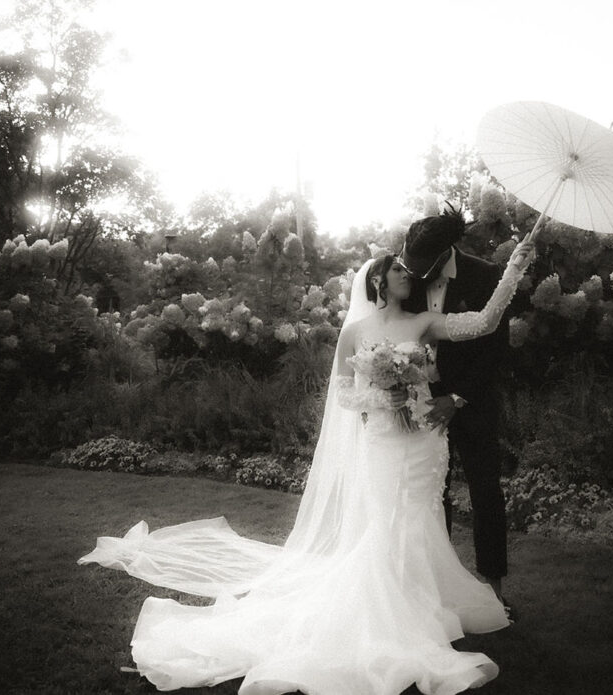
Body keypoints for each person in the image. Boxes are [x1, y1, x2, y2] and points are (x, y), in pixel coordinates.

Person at [78, 237, 536, 695]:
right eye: (396, 269)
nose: (406, 274)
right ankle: (386, 605)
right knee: (387, 521)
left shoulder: (422, 323)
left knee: (422, 514)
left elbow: (483, 322)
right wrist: (382, 395)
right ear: (377, 281)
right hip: (383, 438)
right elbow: (343, 395)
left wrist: (511, 270)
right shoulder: (356, 333)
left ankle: (421, 597)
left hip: (425, 441)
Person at [399, 206, 518, 614]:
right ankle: (439, 592)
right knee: (433, 495)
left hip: (474, 401)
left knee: (486, 492)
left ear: (443, 253)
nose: (412, 275)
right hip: (423, 405)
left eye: (420, 268)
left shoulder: (484, 276)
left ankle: (495, 593)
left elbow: (494, 347)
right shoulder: (406, 280)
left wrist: (459, 397)